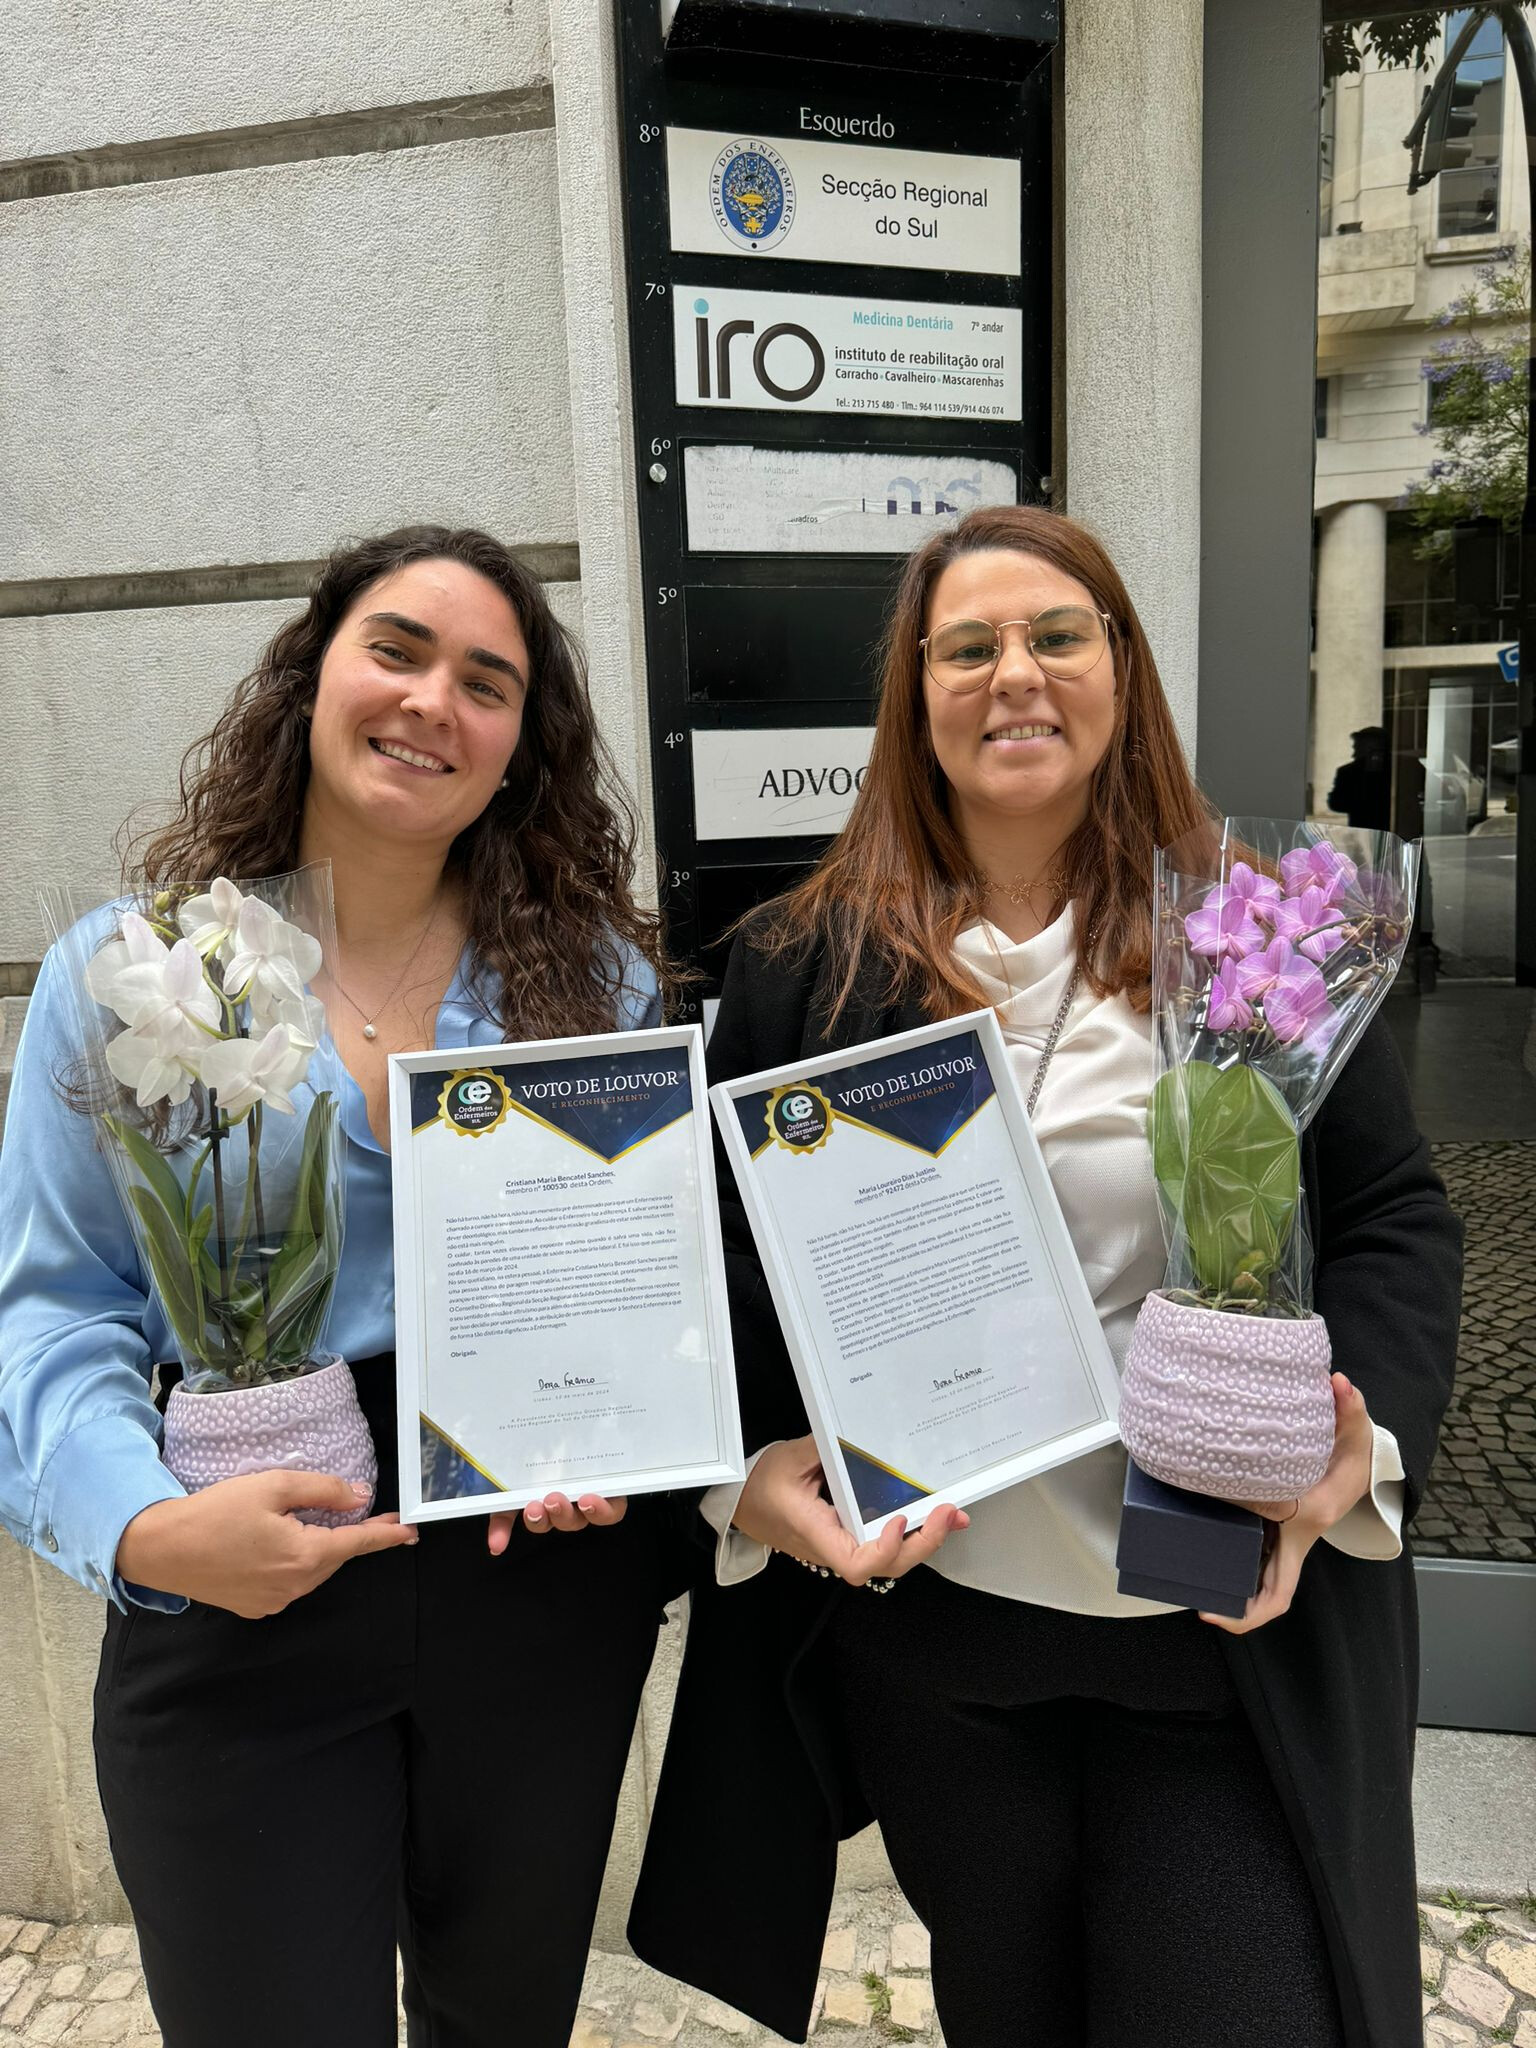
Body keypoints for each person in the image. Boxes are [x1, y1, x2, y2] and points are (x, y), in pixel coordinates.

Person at [628, 507, 1462, 2048]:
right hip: (943, 1645)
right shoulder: (803, 966)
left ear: (1120, 670)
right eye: (968, 647)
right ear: (916, 696)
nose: (1014, 674)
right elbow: (721, 1277)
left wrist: (1364, 1448)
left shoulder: (1259, 929)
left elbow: (1398, 1217)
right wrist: (746, 1479)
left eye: (1056, 635)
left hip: (1219, 1631)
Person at [0, 526, 684, 2048]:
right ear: (313, 676)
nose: (436, 700)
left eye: (488, 682)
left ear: (522, 746)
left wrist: (619, 1435)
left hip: (537, 1585)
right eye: (398, 650)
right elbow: (52, 1309)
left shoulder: (594, 990)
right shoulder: (134, 972)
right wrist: (146, 1528)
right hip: (239, 1559)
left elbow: (636, 1286)